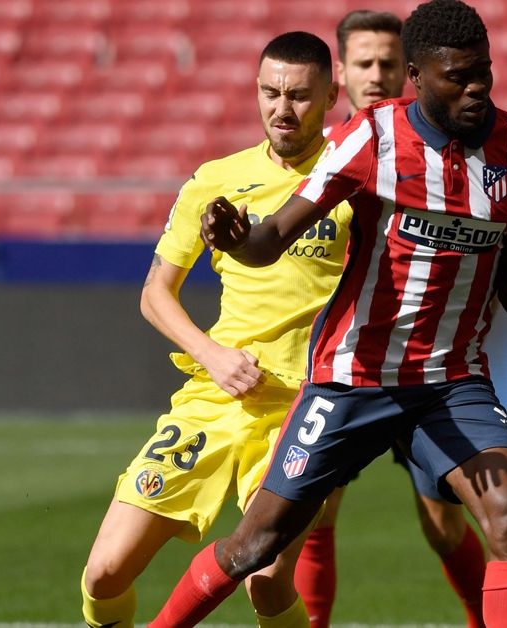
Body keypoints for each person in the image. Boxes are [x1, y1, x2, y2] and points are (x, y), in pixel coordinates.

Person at [149, 1, 507, 626]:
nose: (477, 87)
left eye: (484, 71)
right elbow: (272, 241)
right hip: (354, 376)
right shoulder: (371, 138)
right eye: (458, 76)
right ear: (417, 76)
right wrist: (238, 237)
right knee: (255, 547)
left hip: (451, 382)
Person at [80, 31, 349, 627]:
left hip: (308, 406)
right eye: (270, 92)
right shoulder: (215, 179)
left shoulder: (350, 182)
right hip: (217, 395)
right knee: (104, 574)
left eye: (301, 95)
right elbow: (155, 294)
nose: (283, 108)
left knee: (266, 579)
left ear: (333, 96)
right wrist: (213, 355)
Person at [294, 9, 488, 628]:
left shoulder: (428, 154)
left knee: (442, 523)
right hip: (344, 364)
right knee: (315, 511)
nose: (376, 76)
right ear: (340, 75)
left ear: (409, 70)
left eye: (386, 64)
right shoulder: (317, 160)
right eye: (363, 63)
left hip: (425, 364)